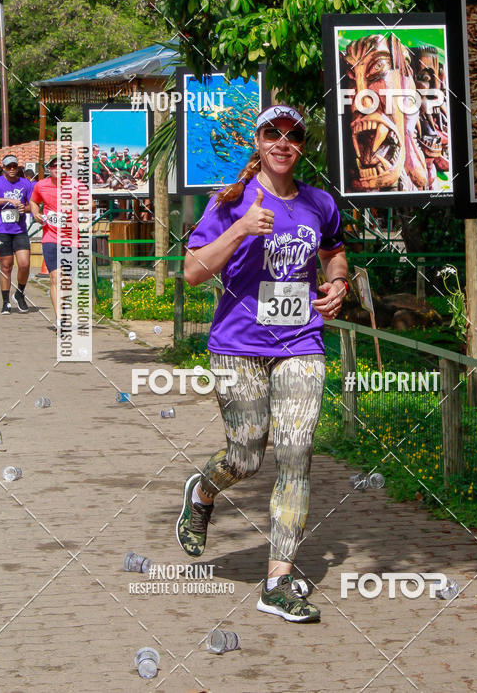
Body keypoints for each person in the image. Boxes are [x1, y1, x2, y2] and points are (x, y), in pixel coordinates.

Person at [177, 103, 349, 623]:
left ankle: (278, 580)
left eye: (292, 135)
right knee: (247, 457)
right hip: (238, 346)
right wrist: (241, 230)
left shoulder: (320, 203)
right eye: (272, 133)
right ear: (258, 141)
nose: (282, 142)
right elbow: (191, 272)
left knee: (296, 455)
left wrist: (338, 283)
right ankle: (204, 490)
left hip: (301, 343)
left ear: (301, 145)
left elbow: (335, 253)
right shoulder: (231, 201)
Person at [30, 156, 92, 331]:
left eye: (61, 166)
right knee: (55, 278)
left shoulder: (76, 184)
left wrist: (75, 209)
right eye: (54, 166)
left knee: (66, 281)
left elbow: (91, 205)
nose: (57, 168)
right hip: (50, 238)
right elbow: (33, 201)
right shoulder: (41, 185)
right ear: (49, 169)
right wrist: (36, 213)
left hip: (72, 239)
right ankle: (60, 320)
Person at [0, 154, 33, 313]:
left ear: (18, 167)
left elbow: (32, 205)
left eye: (14, 166)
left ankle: (19, 293)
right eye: (8, 167)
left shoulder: (25, 183)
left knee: (25, 264)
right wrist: (8, 201)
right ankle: (5, 301)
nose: (12, 169)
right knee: (6, 266)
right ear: (4, 168)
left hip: (20, 230)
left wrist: (24, 209)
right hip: (2, 230)